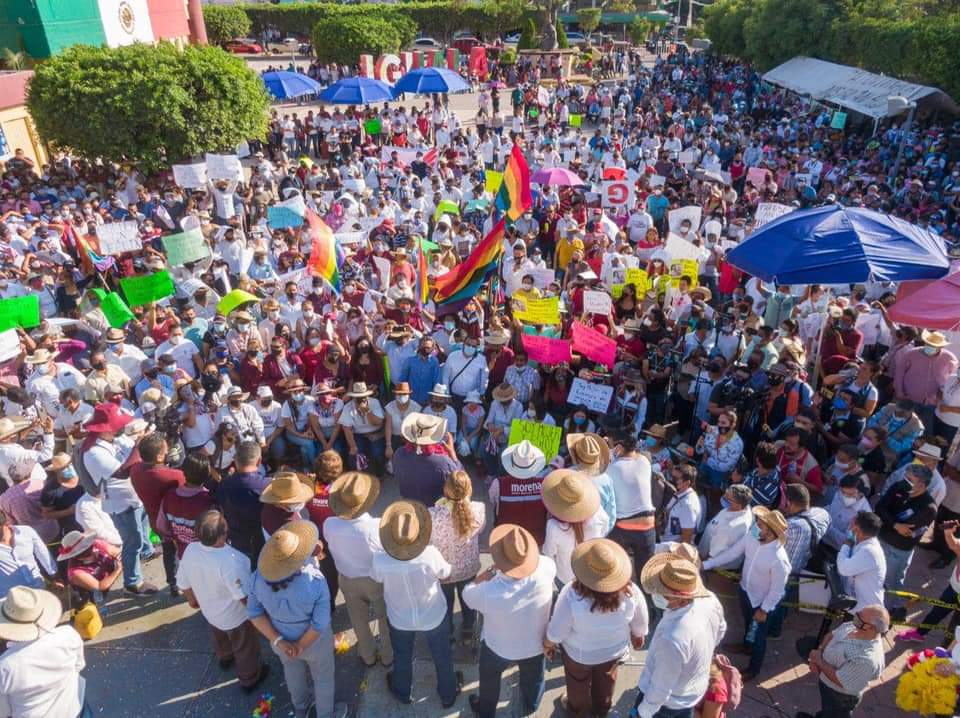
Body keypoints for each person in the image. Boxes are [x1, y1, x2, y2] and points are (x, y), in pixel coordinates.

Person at [247, 521, 347, 718]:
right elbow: (320, 623)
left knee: (292, 671)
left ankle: (300, 707)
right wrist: (300, 645)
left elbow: (254, 613)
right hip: (314, 642)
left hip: (280, 641)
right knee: (323, 678)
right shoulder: (315, 581)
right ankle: (326, 714)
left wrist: (279, 641)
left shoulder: (257, 578)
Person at [372, 500, 463, 708]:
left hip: (399, 617)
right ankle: (448, 694)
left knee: (402, 655)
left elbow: (376, 577)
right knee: (442, 655)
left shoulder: (380, 559)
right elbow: (446, 572)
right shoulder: (429, 554)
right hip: (433, 614)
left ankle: (402, 690)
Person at [545, 538, 648, 717]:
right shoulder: (632, 593)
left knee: (577, 685)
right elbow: (640, 627)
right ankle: (601, 710)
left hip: (579, 654)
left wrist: (548, 643)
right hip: (612, 653)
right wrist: (637, 636)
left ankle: (578, 710)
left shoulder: (571, 594)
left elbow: (557, 631)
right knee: (606, 683)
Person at [462, 524, 557, 718]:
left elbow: (467, 595)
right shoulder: (547, 567)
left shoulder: (488, 591)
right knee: (534, 679)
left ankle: (486, 711)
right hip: (535, 645)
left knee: (489, 680)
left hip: (498, 647)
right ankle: (531, 704)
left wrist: (480, 578)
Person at [177, 510, 270, 692]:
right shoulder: (230, 562)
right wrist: (259, 617)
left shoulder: (190, 550)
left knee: (220, 637)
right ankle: (249, 678)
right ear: (221, 537)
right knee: (245, 647)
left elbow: (183, 583)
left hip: (210, 611)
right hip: (236, 617)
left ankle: (225, 657)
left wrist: (192, 600)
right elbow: (243, 596)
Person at [634, 551, 727, 718]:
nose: (656, 594)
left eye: (663, 593)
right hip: (691, 693)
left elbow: (660, 688)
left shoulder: (672, 638)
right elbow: (720, 631)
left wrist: (642, 713)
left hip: (667, 706)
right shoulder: (711, 599)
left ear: (681, 599)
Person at [703, 507, 790, 681]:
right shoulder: (751, 538)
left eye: (761, 525)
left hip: (762, 603)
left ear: (771, 532)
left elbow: (778, 590)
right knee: (748, 622)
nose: (756, 526)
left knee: (759, 635)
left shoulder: (779, 559)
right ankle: (745, 645)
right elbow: (732, 553)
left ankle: (753, 668)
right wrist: (707, 564)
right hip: (745, 592)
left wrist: (764, 610)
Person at [80, 402, 157, 595]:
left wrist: (141, 442)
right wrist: (139, 446)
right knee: (132, 542)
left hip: (134, 497)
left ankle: (145, 556)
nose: (120, 428)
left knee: (141, 535)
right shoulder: (93, 452)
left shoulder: (113, 440)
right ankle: (133, 583)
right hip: (120, 503)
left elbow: (132, 451)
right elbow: (121, 473)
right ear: (105, 428)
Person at [325, 471, 392, 668]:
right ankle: (388, 655)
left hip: (347, 578)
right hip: (374, 579)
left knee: (358, 620)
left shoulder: (330, 524)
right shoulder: (374, 527)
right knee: (384, 618)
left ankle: (368, 655)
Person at [0, 586, 89, 717]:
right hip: (76, 709)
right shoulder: (68, 634)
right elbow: (79, 665)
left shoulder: (5, 666)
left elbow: (4, 712)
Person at [796, 605, 888, 718]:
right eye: (857, 615)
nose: (855, 619)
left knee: (834, 713)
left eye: (859, 619)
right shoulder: (856, 626)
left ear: (872, 628)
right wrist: (819, 652)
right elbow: (832, 635)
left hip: (840, 696)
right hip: (827, 683)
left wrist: (819, 661)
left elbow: (841, 681)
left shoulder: (866, 660)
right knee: (827, 709)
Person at [428, 471, 485, 643]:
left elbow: (429, 539)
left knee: (445, 605)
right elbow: (480, 531)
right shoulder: (479, 509)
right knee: (468, 601)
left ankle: (448, 634)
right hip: (468, 568)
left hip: (443, 570)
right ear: (469, 489)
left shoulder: (432, 513)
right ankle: (468, 630)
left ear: (446, 489)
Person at [875, 462, 936, 621]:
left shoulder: (928, 508)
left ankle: (885, 614)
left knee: (891, 582)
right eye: (905, 477)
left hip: (898, 550)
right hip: (881, 538)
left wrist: (888, 520)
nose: (904, 481)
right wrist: (895, 524)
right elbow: (880, 508)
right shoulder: (899, 487)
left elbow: (906, 533)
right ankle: (892, 607)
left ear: (922, 484)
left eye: (910, 479)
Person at [542, 469, 608, 585]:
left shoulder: (554, 527)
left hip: (566, 578)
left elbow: (549, 553)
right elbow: (605, 527)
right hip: (592, 575)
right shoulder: (598, 513)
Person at [606, 432, 657, 579]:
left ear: (619, 448)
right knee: (646, 578)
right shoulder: (645, 462)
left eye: (611, 445)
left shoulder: (612, 468)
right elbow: (643, 455)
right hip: (648, 527)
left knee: (612, 572)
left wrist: (607, 450)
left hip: (623, 527)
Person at [217, 440, 270, 562]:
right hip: (263, 544)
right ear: (259, 461)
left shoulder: (224, 485)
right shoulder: (268, 486)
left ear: (235, 460)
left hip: (235, 543)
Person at [393, 412, 462, 506]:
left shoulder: (399, 453)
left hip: (408, 504)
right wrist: (453, 454)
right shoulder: (443, 463)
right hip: (433, 509)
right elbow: (460, 482)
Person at [836, 511, 886, 613]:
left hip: (864, 611)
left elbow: (843, 569)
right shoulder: (863, 540)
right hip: (858, 605)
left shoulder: (869, 551)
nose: (850, 526)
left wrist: (846, 546)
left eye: (853, 523)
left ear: (857, 529)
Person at [567, 432, 617, 532]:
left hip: (570, 530)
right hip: (596, 531)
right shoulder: (607, 480)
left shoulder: (567, 475)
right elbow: (611, 514)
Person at [699, 483, 754, 570]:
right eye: (726, 493)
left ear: (738, 505)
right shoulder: (745, 507)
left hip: (714, 562)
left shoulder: (730, 527)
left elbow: (713, 553)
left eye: (728, 498)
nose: (724, 497)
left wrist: (703, 564)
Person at [57, 529, 122, 598]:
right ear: (74, 556)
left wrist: (119, 560)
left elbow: (117, 552)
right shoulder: (75, 572)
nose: (89, 551)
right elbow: (99, 587)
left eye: (88, 548)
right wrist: (117, 570)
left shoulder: (97, 543)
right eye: (82, 553)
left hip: (119, 579)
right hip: (103, 596)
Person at [662, 463, 701, 544]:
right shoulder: (678, 493)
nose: (670, 479)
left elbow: (686, 539)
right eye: (671, 475)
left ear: (686, 483)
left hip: (672, 549)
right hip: (664, 540)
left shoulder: (688, 505)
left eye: (675, 478)